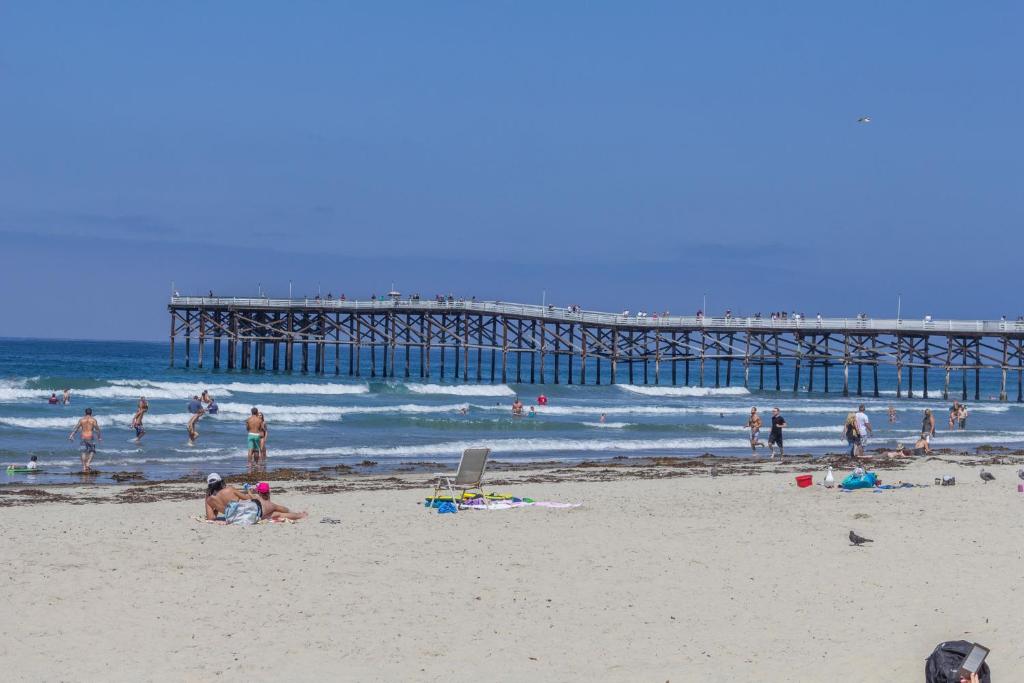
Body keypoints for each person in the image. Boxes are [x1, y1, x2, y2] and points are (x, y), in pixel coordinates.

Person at [68, 407, 101, 472]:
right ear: (91, 413)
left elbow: (76, 428)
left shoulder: (81, 420)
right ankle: (88, 463)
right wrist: (99, 437)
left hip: (83, 436)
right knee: (92, 450)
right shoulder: (93, 420)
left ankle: (84, 467)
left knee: (83, 451)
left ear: (85, 413)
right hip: (90, 436)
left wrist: (71, 435)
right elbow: (97, 429)